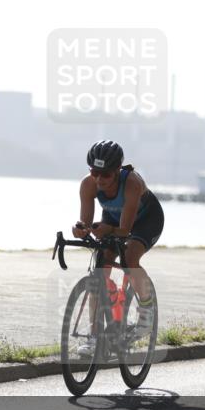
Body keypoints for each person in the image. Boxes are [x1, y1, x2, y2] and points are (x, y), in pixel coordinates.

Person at [72, 141, 164, 351]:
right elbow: (86, 223)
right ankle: (95, 338)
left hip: (145, 220)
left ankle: (147, 310)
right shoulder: (88, 185)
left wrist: (106, 229)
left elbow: (124, 230)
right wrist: (81, 230)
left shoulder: (132, 183)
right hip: (113, 220)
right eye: (95, 172)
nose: (99, 179)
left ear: (117, 171)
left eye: (105, 175)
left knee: (129, 259)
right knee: (99, 272)